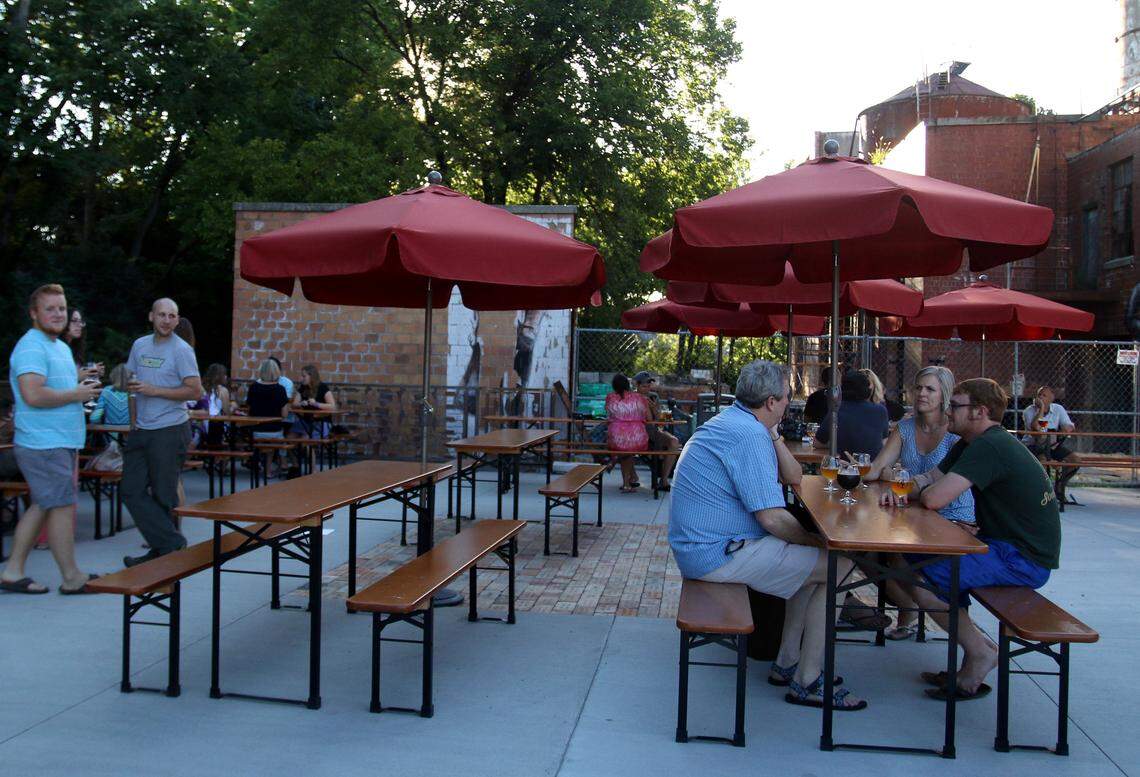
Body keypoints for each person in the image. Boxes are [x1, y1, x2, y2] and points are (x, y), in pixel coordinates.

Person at [669, 359, 865, 710]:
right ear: (772, 401)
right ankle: (808, 679)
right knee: (839, 566)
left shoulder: (740, 422)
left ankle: (788, 661)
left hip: (706, 545)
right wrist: (820, 541)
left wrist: (774, 433)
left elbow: (793, 477)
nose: (790, 402)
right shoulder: (747, 436)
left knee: (813, 570)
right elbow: (773, 519)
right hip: (717, 553)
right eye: (787, 397)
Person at [882, 378, 1061, 700]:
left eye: (955, 405)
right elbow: (929, 479)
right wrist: (907, 490)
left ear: (979, 411)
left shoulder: (990, 446)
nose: (948, 411)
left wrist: (912, 491)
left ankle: (980, 654)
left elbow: (936, 497)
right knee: (912, 564)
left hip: (1022, 558)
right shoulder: (971, 443)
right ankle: (973, 652)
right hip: (1003, 548)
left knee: (924, 580)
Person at [0, 284, 102, 594]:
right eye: (50, 308)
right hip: (43, 443)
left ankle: (13, 571)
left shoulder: (57, 346)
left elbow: (53, 382)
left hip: (59, 440)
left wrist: (79, 379)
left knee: (44, 504)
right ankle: (71, 577)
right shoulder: (31, 346)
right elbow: (33, 394)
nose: (58, 314)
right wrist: (77, 393)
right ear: (34, 314)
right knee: (59, 506)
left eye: (62, 308)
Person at [863, 365, 975, 640]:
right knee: (868, 554)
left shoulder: (956, 434)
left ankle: (922, 613)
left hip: (954, 517)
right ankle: (908, 607)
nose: (921, 393)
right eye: (918, 387)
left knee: (902, 557)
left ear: (944, 395)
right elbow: (876, 469)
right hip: (914, 514)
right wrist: (859, 470)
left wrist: (895, 479)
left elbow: (940, 487)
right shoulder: (904, 428)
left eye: (930, 389)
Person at [121, 298, 202, 567]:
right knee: (130, 490)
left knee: (164, 495)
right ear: (151, 316)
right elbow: (130, 383)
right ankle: (169, 542)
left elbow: (194, 390)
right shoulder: (139, 345)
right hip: (142, 429)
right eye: (162, 315)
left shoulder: (181, 350)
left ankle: (162, 553)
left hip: (170, 429)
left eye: (172, 316)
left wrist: (156, 391)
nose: (166, 320)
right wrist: (133, 422)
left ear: (177, 320)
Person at [813, 371, 889, 458]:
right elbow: (884, 442)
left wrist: (837, 442)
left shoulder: (837, 410)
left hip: (845, 466)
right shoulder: (880, 410)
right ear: (867, 390)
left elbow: (817, 443)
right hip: (872, 466)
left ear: (842, 389)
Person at [1023, 385, 1080, 492]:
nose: (1040, 397)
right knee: (1043, 462)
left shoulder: (1058, 409)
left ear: (1051, 399)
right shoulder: (1029, 411)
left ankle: (1059, 487)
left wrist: (1067, 428)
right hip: (1034, 446)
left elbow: (1068, 425)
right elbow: (1037, 430)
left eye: (1044, 395)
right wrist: (1041, 410)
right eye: (1039, 395)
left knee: (1075, 460)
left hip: (1052, 445)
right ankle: (1043, 493)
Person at [632, 371, 681, 490]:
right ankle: (632, 476)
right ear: (637, 386)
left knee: (674, 442)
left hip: (653, 432)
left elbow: (659, 421)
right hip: (634, 433)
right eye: (644, 386)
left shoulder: (653, 397)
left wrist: (654, 409)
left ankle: (663, 480)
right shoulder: (631, 397)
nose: (647, 389)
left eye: (649, 386)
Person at [605, 374, 650, 493]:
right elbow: (648, 417)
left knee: (622, 445)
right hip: (638, 436)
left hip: (616, 436)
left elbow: (609, 413)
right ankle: (628, 480)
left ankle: (616, 463)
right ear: (627, 384)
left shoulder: (610, 397)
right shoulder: (640, 398)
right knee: (628, 447)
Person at [289, 364, 336, 438]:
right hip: (306, 421)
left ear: (312, 377)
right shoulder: (303, 387)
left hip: (321, 422)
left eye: (304, 376)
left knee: (305, 437)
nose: (301, 378)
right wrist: (300, 404)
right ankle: (295, 449)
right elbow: (294, 404)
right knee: (290, 436)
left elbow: (332, 406)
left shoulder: (322, 387)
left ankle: (309, 449)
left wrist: (316, 404)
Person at [202, 363, 233, 447]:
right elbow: (227, 413)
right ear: (220, 376)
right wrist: (233, 407)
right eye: (224, 374)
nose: (226, 376)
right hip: (216, 426)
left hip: (202, 425)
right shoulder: (223, 390)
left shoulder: (202, 388)